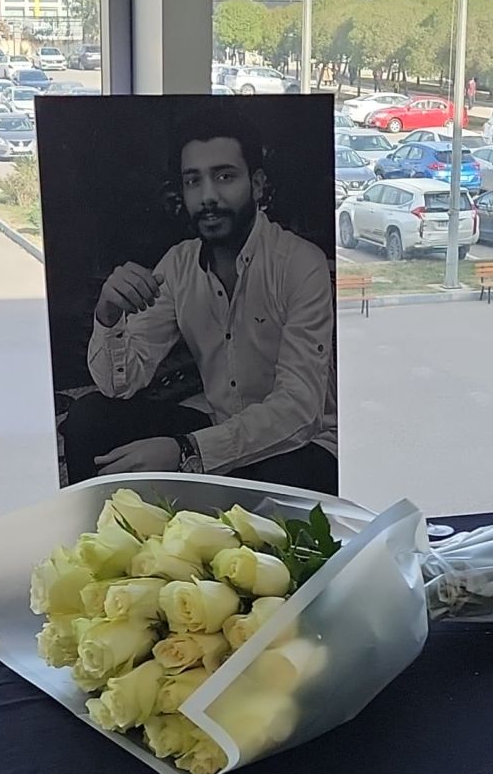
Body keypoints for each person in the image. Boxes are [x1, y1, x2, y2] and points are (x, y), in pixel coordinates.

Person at [61, 105, 338, 492]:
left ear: (257, 185)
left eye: (225, 177)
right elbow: (120, 385)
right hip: (219, 431)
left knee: (279, 480)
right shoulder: (179, 265)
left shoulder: (300, 264)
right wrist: (109, 314)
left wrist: (187, 451)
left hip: (303, 444)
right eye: (194, 181)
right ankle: (94, 527)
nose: (208, 196)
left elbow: (299, 409)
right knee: (90, 418)